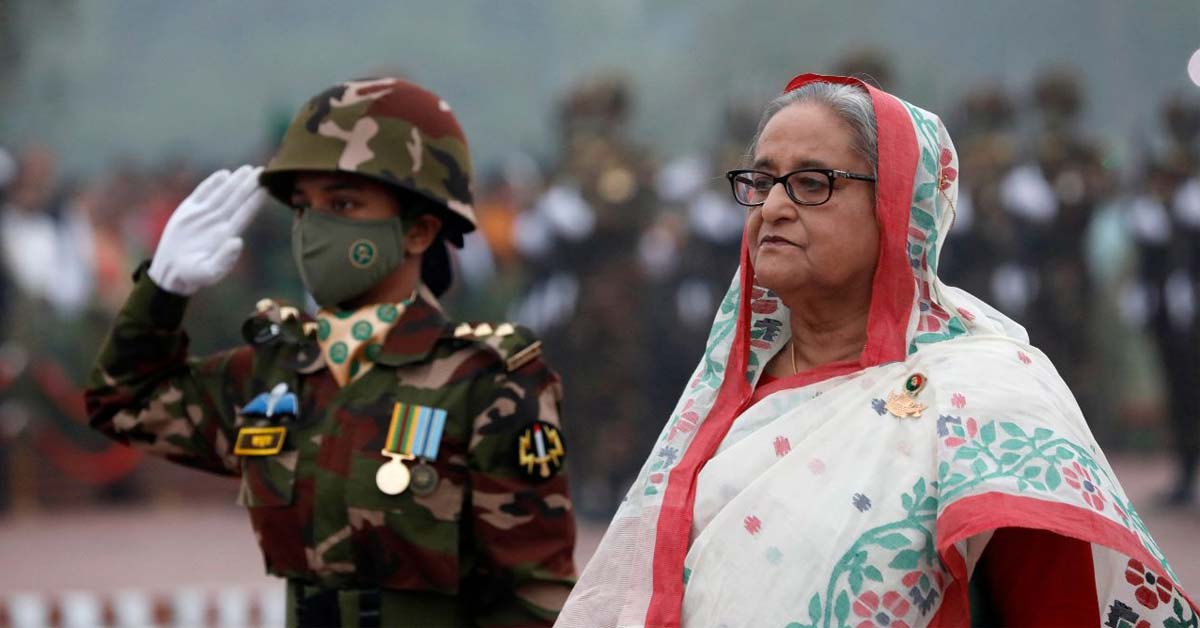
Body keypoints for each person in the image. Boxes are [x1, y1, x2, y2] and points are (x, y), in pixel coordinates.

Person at [556, 74, 1198, 627]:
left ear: (895, 205)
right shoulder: (724, 396)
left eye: (812, 183)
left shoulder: (985, 400)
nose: (774, 207)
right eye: (761, 180)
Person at [85, 77, 576, 627]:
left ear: (418, 231)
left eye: (343, 203)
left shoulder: (487, 382)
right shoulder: (278, 372)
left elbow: (536, 595)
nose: (313, 228)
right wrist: (162, 290)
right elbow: (123, 402)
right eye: (302, 207)